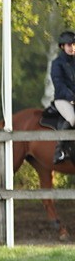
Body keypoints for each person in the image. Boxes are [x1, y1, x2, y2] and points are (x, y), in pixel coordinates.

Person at [50, 30, 75, 163]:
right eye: (69, 45)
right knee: (72, 118)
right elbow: (58, 84)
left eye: (74, 45)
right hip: (63, 99)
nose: (72, 48)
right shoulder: (57, 63)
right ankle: (59, 151)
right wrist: (72, 97)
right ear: (62, 47)